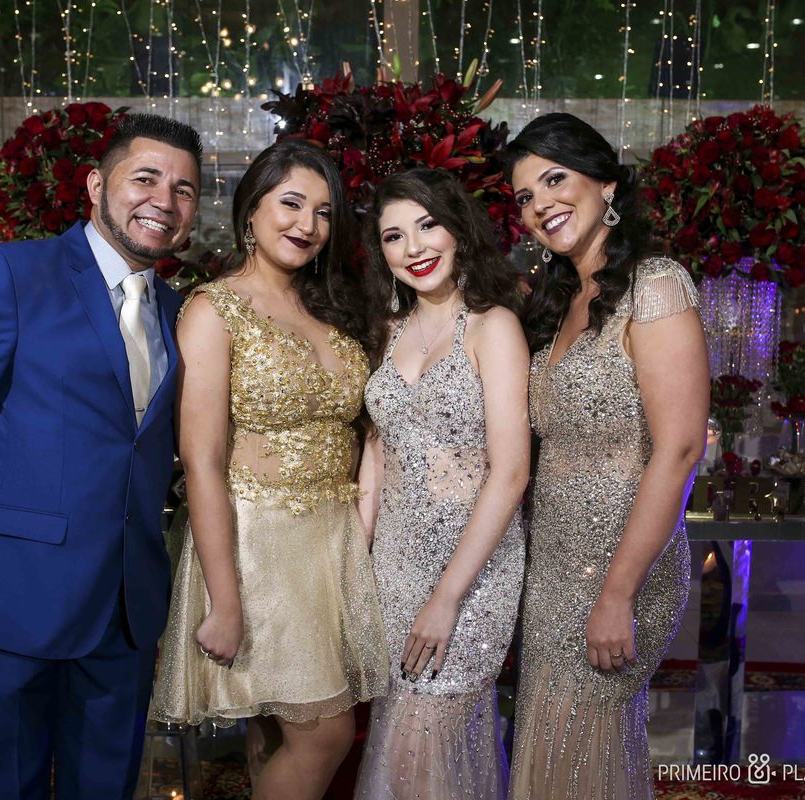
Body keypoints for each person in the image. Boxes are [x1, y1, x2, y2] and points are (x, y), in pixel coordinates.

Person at [0, 113, 202, 799]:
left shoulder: (182, 313)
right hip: (7, 611)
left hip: (125, 616)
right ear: (95, 185)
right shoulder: (11, 273)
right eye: (145, 178)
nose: (164, 200)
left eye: (184, 189)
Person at [149, 139, 388, 800]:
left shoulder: (331, 306)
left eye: (323, 212)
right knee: (325, 735)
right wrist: (225, 601)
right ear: (251, 209)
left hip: (333, 543)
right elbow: (201, 463)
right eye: (291, 204)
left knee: (280, 737)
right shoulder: (213, 309)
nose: (307, 224)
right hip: (260, 549)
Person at [505, 112, 708, 799]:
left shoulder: (656, 285)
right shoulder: (560, 299)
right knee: (552, 746)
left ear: (607, 184)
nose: (540, 205)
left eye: (555, 180)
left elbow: (679, 450)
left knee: (580, 744)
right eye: (525, 196)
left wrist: (617, 593)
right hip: (551, 569)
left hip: (624, 568)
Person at [353, 168, 530, 800]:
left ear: (458, 229)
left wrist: (447, 598)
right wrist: (355, 564)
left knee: (421, 749)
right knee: (405, 745)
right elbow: (377, 452)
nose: (414, 248)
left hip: (471, 570)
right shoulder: (387, 329)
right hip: (393, 566)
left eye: (428, 225)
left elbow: (511, 473)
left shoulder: (492, 326)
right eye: (394, 236)